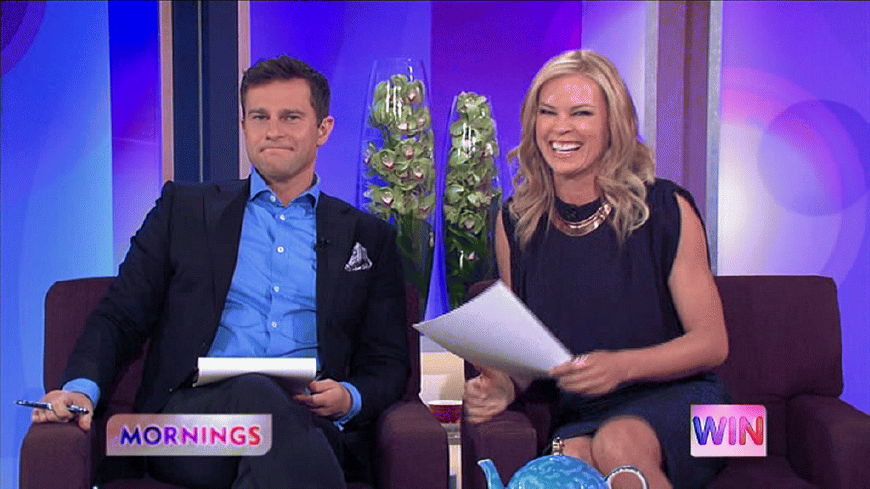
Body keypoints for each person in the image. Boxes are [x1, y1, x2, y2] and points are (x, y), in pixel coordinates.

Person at [29, 55, 409, 489]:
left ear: (323, 129)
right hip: (181, 430)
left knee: (274, 434)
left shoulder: (368, 237)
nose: (273, 131)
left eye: (291, 117)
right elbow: (120, 315)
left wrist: (348, 397)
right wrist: (80, 388)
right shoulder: (184, 211)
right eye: (259, 117)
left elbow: (389, 362)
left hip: (309, 422)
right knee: (257, 393)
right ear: (243, 125)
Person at [463, 49, 729, 489]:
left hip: (694, 407)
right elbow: (528, 353)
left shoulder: (665, 209)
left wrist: (620, 367)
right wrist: (502, 388)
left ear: (613, 126)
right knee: (571, 460)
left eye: (581, 113)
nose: (560, 127)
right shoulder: (516, 223)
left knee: (617, 443)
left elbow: (713, 344)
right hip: (584, 410)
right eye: (548, 112)